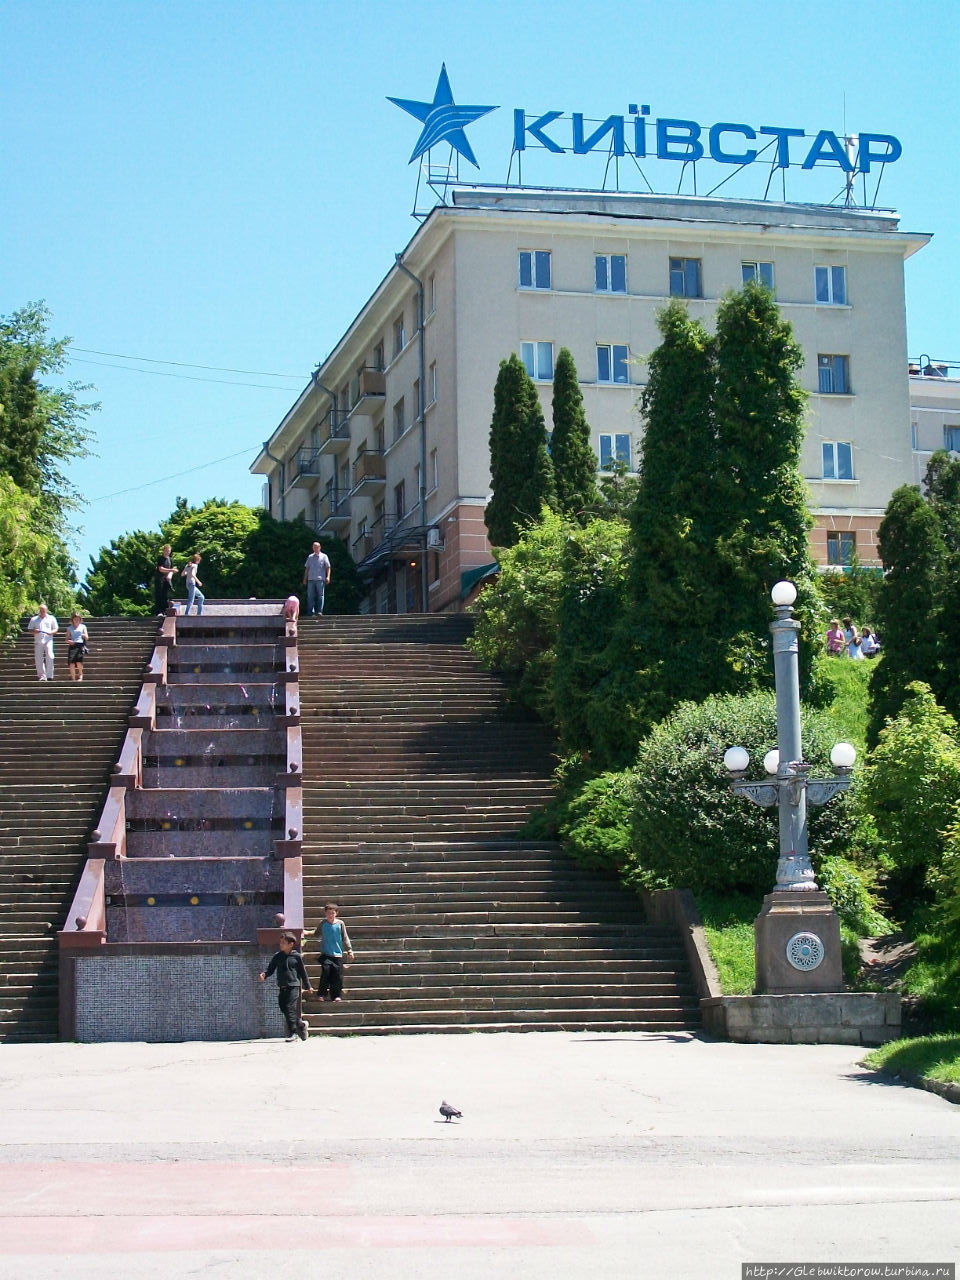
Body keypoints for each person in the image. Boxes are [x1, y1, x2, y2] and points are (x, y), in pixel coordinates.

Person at [259, 932, 312, 1041]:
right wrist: (265, 975)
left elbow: (303, 972)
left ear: (291, 944)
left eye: (284, 943)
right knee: (284, 1008)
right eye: (280, 942)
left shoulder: (296, 957)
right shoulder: (278, 956)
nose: (281, 945)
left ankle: (293, 1033)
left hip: (293, 986)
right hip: (282, 987)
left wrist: (308, 986)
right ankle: (301, 1025)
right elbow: (271, 969)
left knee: (289, 1008)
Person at [315, 901, 354, 1003]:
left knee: (337, 976)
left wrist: (349, 950)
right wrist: (305, 933)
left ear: (336, 913)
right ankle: (321, 994)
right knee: (326, 971)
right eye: (328, 913)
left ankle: (336, 995)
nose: (330, 915)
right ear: (325, 913)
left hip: (337, 954)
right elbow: (316, 933)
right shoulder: (323, 923)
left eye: (332, 913)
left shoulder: (340, 924)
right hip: (326, 954)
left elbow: (345, 937)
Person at [27, 604, 59, 682]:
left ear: (46, 610)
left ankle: (49, 675)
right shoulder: (34, 619)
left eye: (44, 611)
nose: (42, 612)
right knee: (38, 658)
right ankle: (42, 676)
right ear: (39, 610)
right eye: (41, 611)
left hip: (48, 640)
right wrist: (35, 631)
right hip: (38, 640)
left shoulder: (51, 618)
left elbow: (56, 628)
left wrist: (51, 632)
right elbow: (30, 629)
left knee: (50, 656)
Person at [302, 541, 331, 616]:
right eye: (313, 547)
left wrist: (328, 576)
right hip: (311, 579)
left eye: (316, 547)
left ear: (319, 547)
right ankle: (311, 612)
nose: (315, 548)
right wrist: (305, 578)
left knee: (320, 595)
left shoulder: (324, 556)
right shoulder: (310, 557)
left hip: (320, 579)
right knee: (310, 596)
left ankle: (319, 611)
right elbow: (307, 568)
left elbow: (328, 567)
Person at [66, 612, 90, 682]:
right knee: (71, 663)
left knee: (79, 662)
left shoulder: (83, 626)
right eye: (75, 619)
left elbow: (87, 637)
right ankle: (73, 678)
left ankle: (80, 675)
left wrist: (84, 635)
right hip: (73, 645)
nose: (76, 620)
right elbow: (66, 639)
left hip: (80, 645)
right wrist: (69, 641)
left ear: (80, 620)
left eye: (78, 619)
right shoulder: (69, 628)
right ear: (72, 619)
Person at [155, 544, 177, 615]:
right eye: (167, 551)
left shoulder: (170, 559)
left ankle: (165, 611)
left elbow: (172, 570)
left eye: (169, 551)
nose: (168, 552)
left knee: (166, 595)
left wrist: (170, 575)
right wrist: (171, 570)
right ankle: (159, 611)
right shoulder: (160, 558)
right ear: (164, 551)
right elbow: (160, 569)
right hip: (160, 579)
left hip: (166, 580)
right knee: (159, 595)